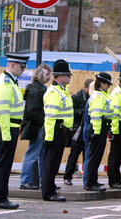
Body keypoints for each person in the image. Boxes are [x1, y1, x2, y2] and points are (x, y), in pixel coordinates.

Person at [0, 53, 29, 210]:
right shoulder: (6, 83)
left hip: (9, 127)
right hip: (5, 127)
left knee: (4, 164)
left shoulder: (10, 82)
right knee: (3, 164)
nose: (23, 69)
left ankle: (1, 196)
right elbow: (3, 111)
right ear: (12, 65)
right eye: (21, 66)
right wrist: (6, 134)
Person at [41, 59, 74, 202]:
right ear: (60, 76)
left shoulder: (61, 90)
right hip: (54, 130)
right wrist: (49, 137)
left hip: (60, 130)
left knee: (54, 162)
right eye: (68, 75)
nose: (69, 78)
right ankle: (48, 192)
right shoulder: (54, 92)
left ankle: (51, 188)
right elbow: (50, 117)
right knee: (51, 162)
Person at [20, 64, 53, 190]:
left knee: (38, 154)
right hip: (37, 126)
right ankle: (25, 181)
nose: (49, 77)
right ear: (39, 75)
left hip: (38, 125)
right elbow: (33, 111)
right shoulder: (36, 90)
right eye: (47, 74)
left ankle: (39, 180)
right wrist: (42, 122)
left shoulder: (37, 89)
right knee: (34, 153)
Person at [84, 73, 113, 192]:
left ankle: (93, 180)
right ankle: (90, 183)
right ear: (102, 83)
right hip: (97, 129)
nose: (108, 87)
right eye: (107, 84)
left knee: (96, 157)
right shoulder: (98, 96)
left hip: (100, 128)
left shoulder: (101, 95)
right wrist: (96, 132)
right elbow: (96, 115)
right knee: (94, 157)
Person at [63, 79, 93, 185]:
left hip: (86, 130)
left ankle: (87, 178)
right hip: (77, 130)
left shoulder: (92, 97)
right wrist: (82, 112)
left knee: (87, 155)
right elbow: (71, 112)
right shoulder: (76, 97)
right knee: (74, 155)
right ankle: (67, 176)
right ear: (86, 87)